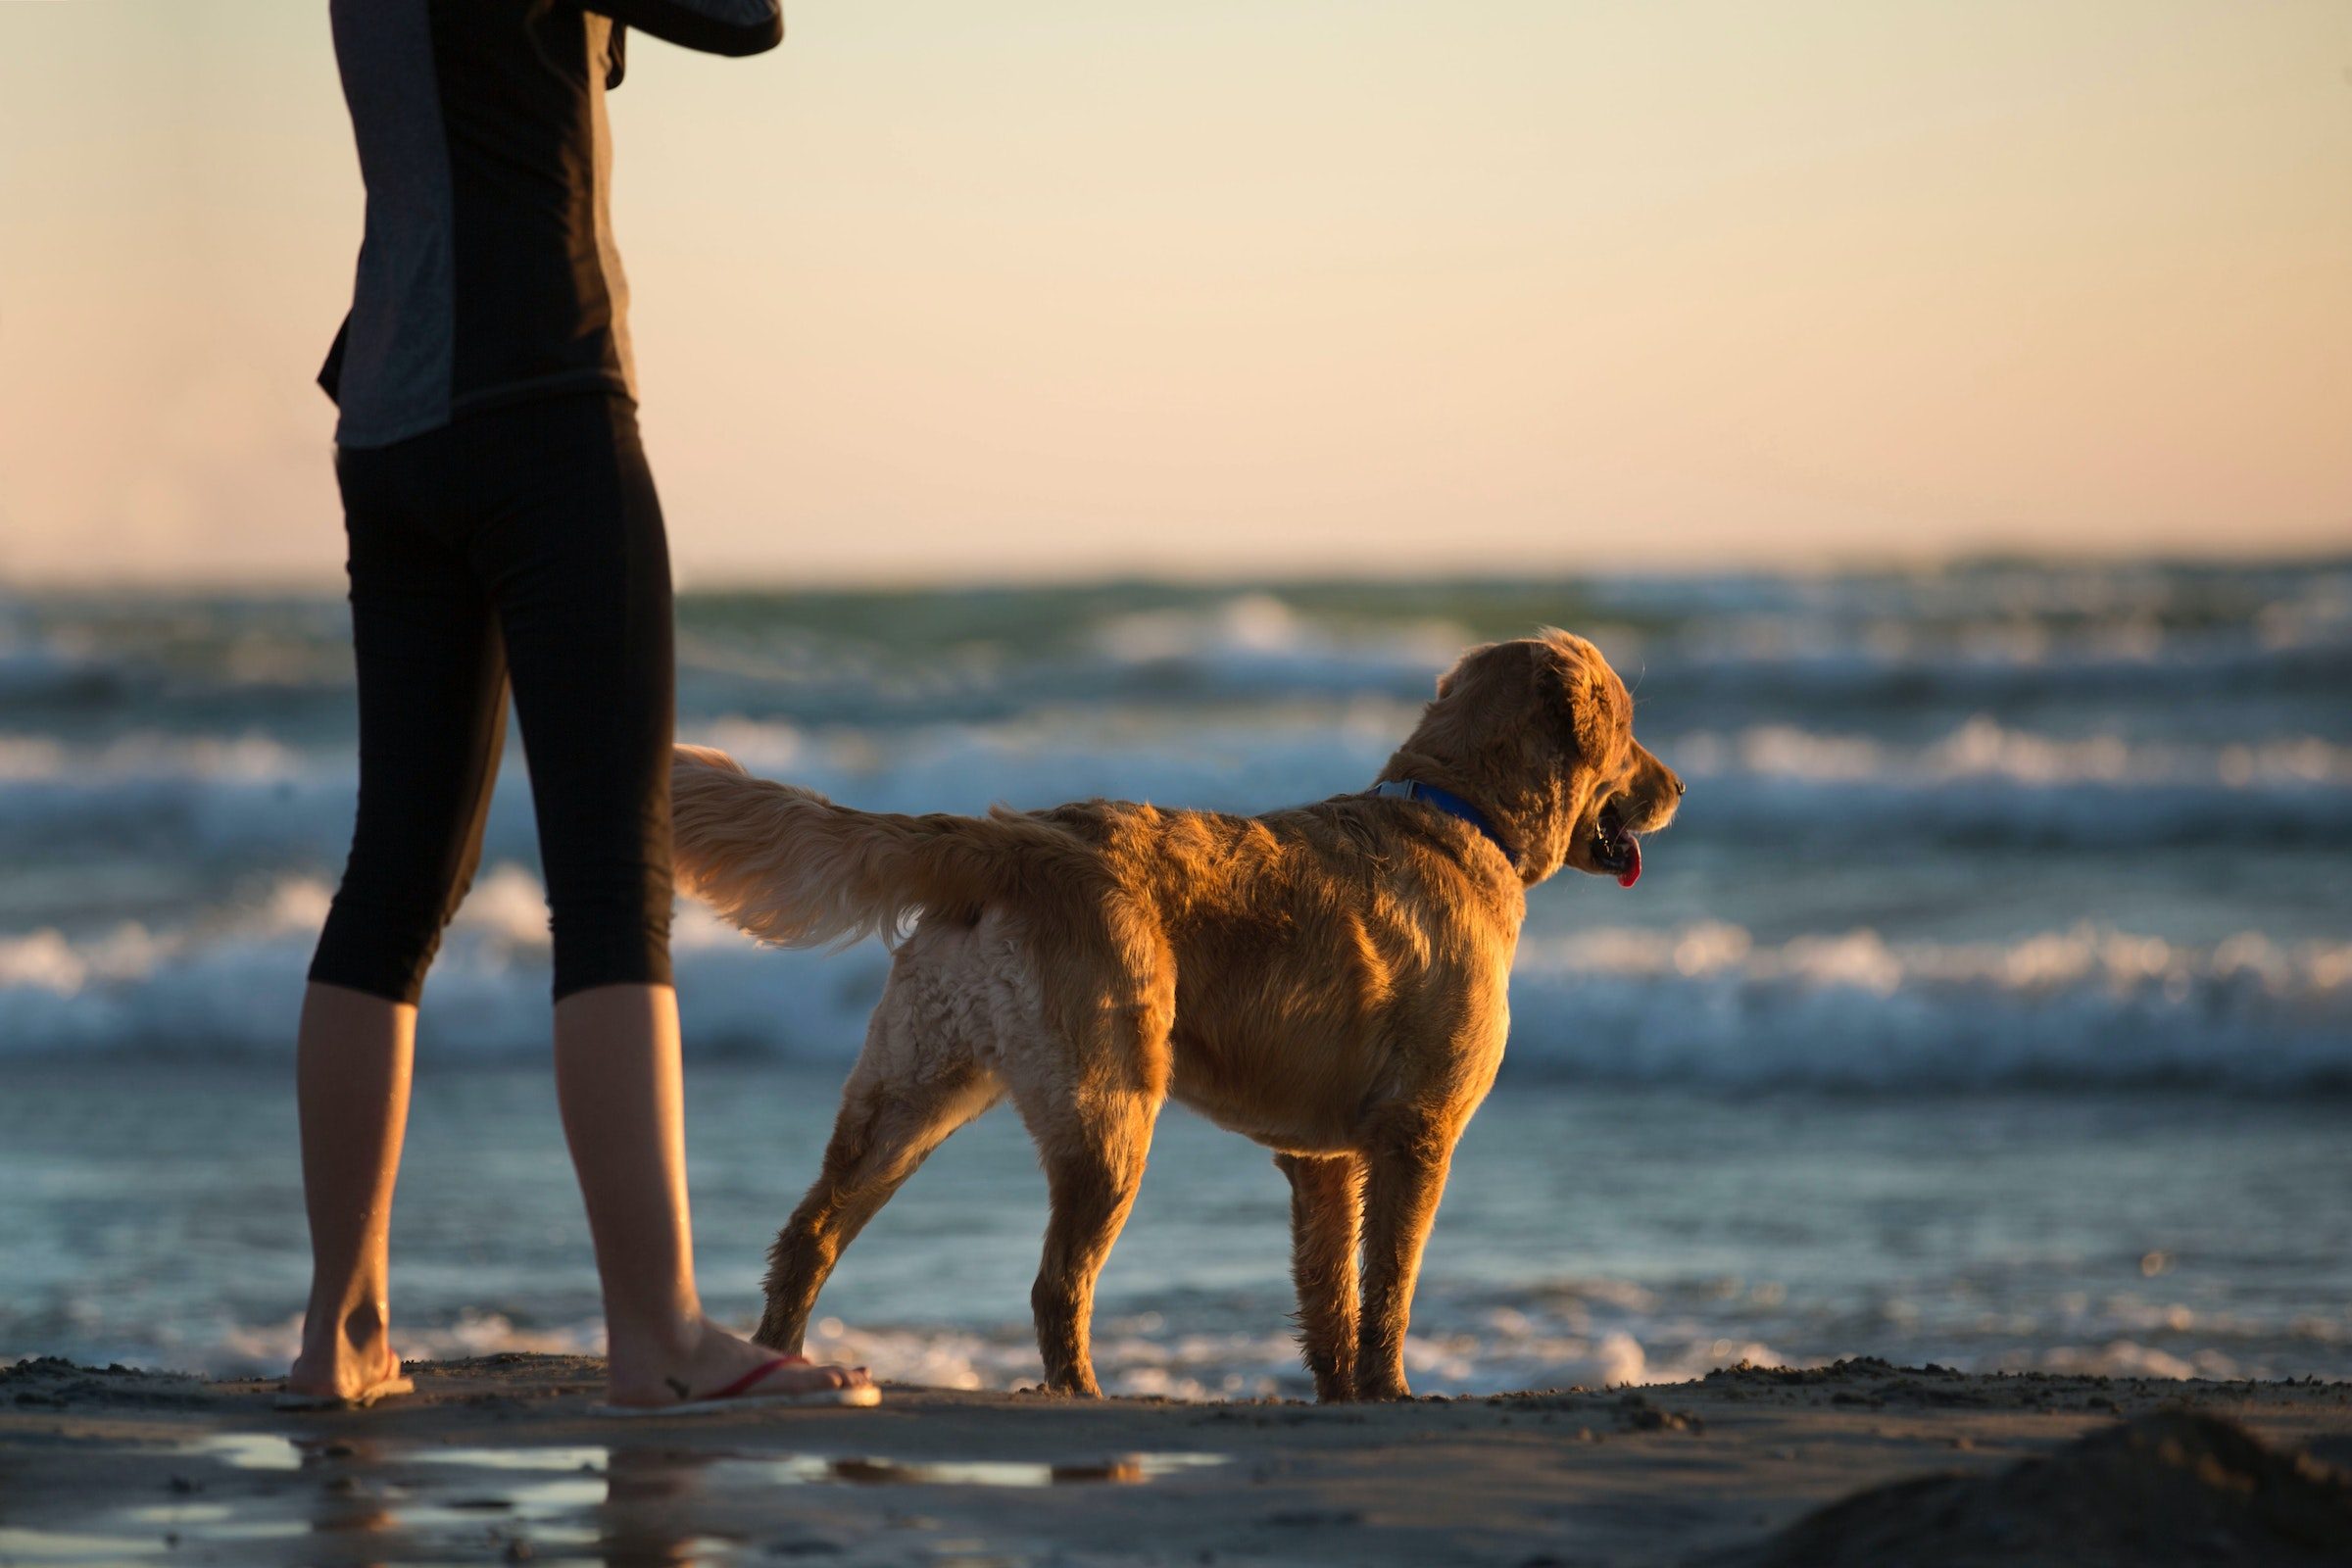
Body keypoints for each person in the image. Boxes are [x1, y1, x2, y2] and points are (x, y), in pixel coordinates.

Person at [283, 0, 874, 1412]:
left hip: (390, 413)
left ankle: (341, 1336)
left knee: (396, 878)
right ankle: (661, 1337)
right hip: (540, 392)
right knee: (611, 886)